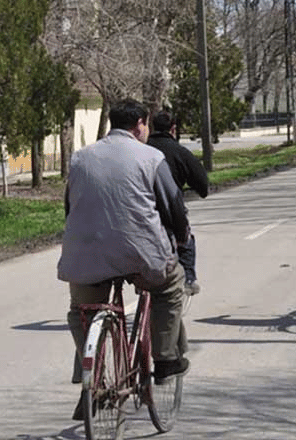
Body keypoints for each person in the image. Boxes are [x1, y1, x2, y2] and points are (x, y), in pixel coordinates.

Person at [58, 98, 190, 420]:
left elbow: (70, 206)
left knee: (82, 310)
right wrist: (182, 236)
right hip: (140, 254)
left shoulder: (80, 158)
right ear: (140, 125)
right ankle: (165, 358)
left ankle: (93, 380)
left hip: (86, 254)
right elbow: (173, 204)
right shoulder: (151, 157)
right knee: (171, 285)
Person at [146, 108, 210, 296]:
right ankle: (188, 279)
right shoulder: (180, 152)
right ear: (173, 129)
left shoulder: (141, 150)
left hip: (139, 212)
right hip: (169, 214)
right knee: (185, 241)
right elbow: (203, 186)